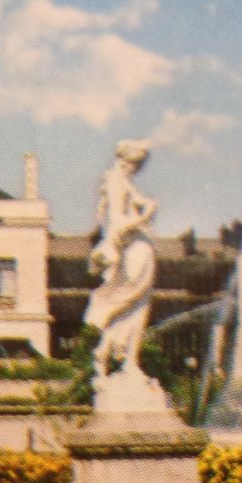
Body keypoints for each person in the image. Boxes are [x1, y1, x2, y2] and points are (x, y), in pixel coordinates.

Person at [86, 139, 158, 377]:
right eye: (138, 164)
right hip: (134, 250)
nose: (138, 169)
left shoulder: (121, 181)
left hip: (138, 251)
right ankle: (115, 353)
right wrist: (145, 216)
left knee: (135, 307)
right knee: (132, 304)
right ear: (130, 161)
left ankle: (122, 358)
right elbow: (117, 224)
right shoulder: (116, 182)